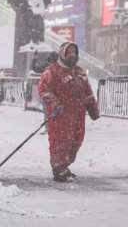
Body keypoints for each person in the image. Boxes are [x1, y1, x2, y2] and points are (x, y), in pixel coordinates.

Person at [38, 41, 100, 182]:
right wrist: (55, 104)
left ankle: (65, 166)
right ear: (62, 54)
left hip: (77, 115)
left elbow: (87, 93)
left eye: (74, 52)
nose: (72, 55)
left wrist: (93, 110)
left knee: (75, 142)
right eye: (69, 52)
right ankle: (59, 169)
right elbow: (43, 89)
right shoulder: (52, 71)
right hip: (60, 116)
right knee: (60, 142)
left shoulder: (79, 72)